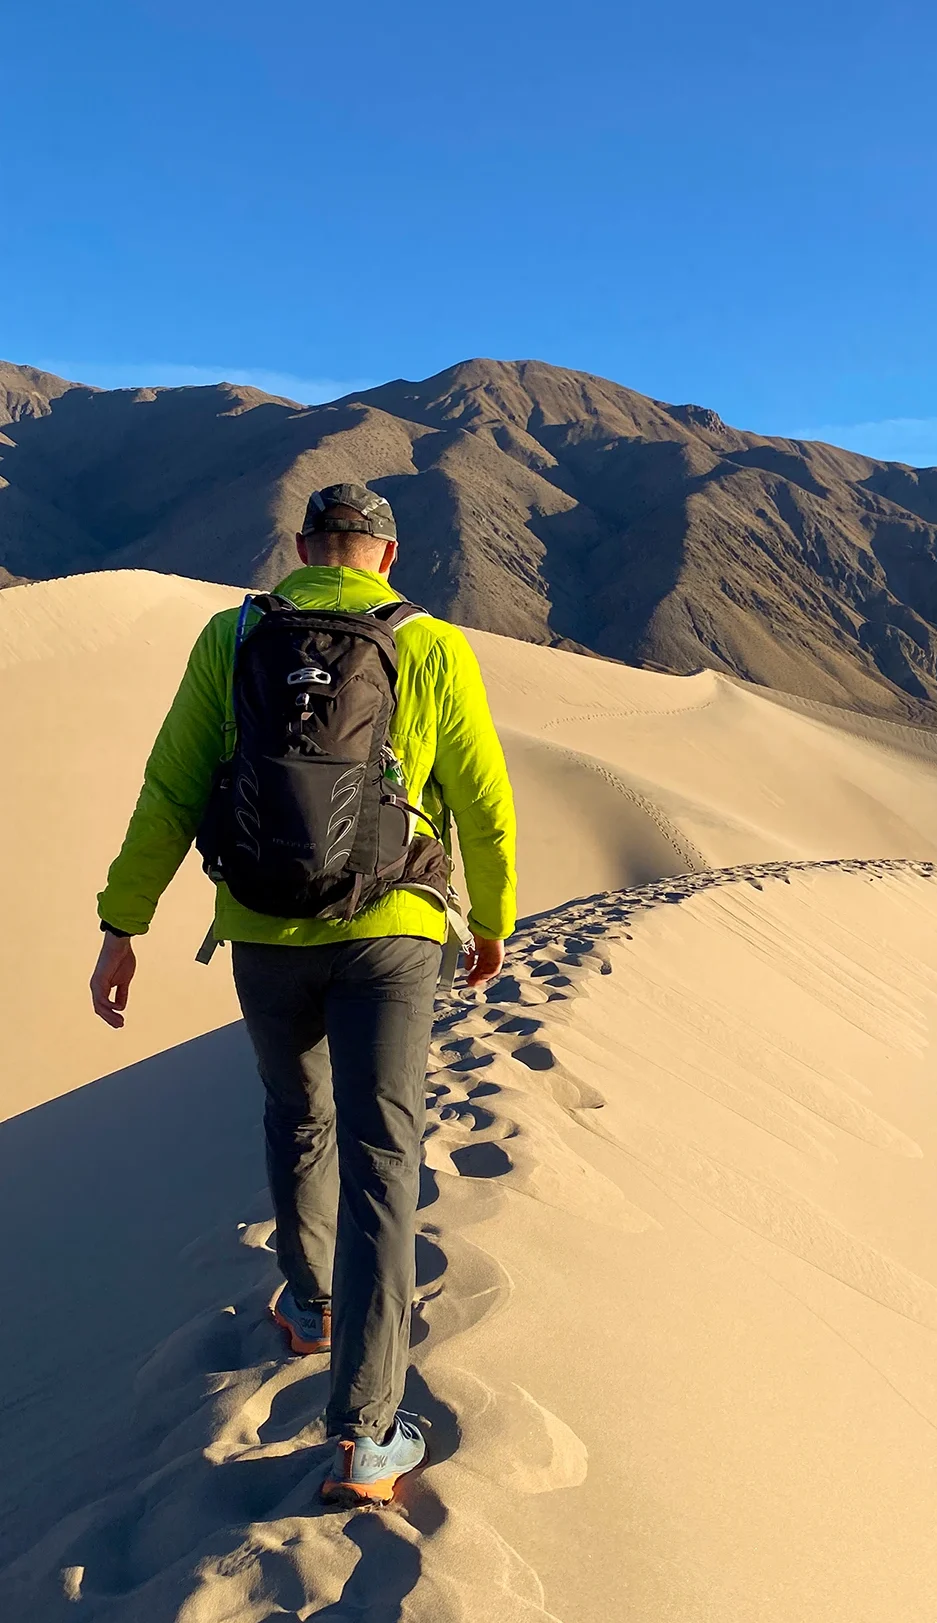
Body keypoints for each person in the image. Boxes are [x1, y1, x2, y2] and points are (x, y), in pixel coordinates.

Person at [89, 482, 516, 1506]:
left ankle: (312, 1303)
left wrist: (123, 922)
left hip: (263, 931)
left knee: (297, 1114)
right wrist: (493, 914)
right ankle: (368, 1434)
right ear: (388, 554)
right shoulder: (431, 645)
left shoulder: (232, 635)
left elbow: (172, 786)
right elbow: (481, 793)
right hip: (395, 936)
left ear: (301, 546)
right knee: (383, 1158)